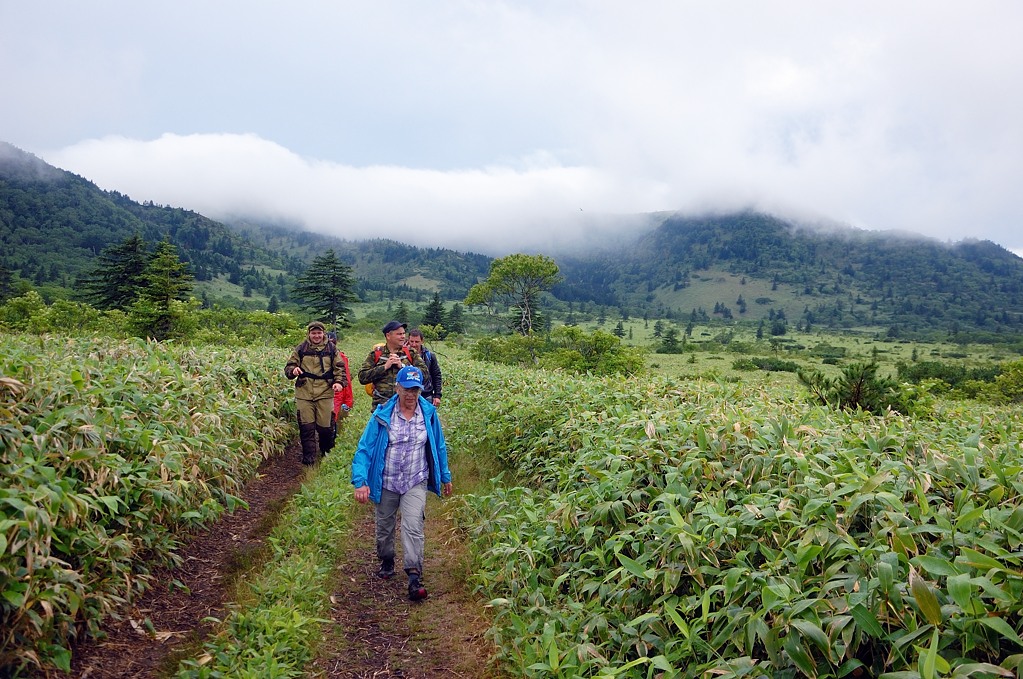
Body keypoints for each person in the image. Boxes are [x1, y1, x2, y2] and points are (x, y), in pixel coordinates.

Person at [351, 366, 453, 602]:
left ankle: (414, 575)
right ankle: (386, 559)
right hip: (386, 480)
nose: (410, 395)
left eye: (415, 390)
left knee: (413, 525)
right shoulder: (382, 414)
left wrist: (445, 475)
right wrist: (361, 481)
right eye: (406, 389)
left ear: (420, 390)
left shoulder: (428, 414)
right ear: (397, 388)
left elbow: (438, 445)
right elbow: (364, 449)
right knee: (385, 528)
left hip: (415, 479)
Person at [285, 321, 346, 465]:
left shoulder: (332, 349)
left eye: (319, 333)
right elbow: (289, 366)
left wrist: (339, 383)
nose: (316, 336)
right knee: (306, 427)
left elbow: (340, 369)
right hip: (304, 391)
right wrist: (293, 370)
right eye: (314, 333)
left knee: (325, 427)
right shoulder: (301, 348)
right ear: (309, 334)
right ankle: (309, 460)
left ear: (323, 333)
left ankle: (326, 454)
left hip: (325, 391)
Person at [358, 320, 428, 408]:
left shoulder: (410, 353)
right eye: (399, 334)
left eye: (403, 333)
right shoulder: (376, 354)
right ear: (388, 336)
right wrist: (384, 367)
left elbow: (424, 374)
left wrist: (403, 368)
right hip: (382, 407)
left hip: (406, 407)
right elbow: (362, 377)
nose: (403, 337)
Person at [406, 328, 442, 407]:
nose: (414, 344)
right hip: (407, 395)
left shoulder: (429, 356)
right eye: (411, 341)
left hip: (426, 395)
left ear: (422, 341)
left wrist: (437, 395)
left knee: (427, 419)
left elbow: (436, 375)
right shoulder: (403, 355)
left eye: (417, 342)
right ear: (408, 340)